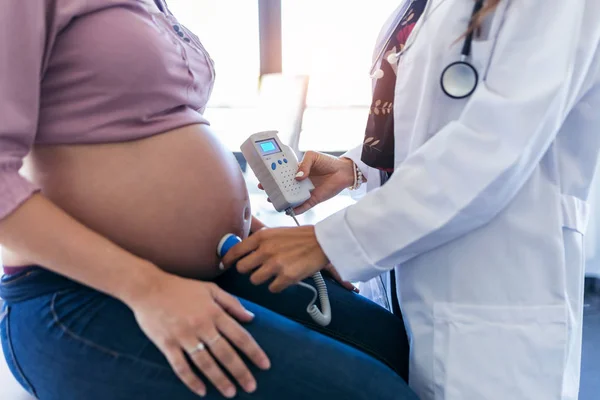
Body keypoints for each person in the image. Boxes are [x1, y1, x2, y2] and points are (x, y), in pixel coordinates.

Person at [0, 1, 419, 399]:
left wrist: (268, 239)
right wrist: (149, 290)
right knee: (369, 394)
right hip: (86, 290)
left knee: (396, 350)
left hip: (215, 266)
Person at [223, 0, 600, 399]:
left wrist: (326, 240)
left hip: (494, 286)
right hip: (413, 284)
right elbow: (430, 128)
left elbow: (495, 147)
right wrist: (356, 169)